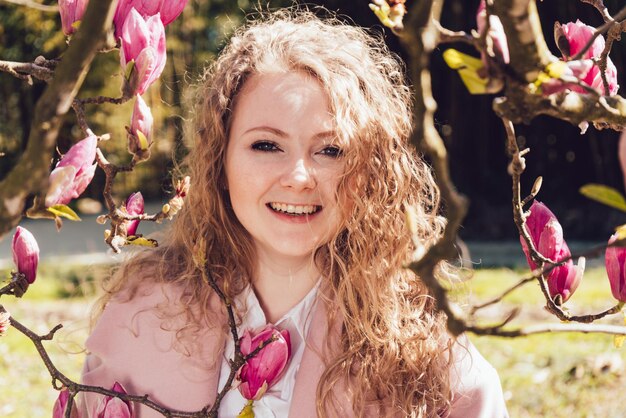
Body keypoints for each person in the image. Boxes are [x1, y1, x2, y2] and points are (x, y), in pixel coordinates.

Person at [80, 9, 508, 418]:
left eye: (331, 150)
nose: (300, 177)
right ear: (220, 163)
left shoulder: (422, 352)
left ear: (370, 173)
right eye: (266, 145)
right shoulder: (139, 316)